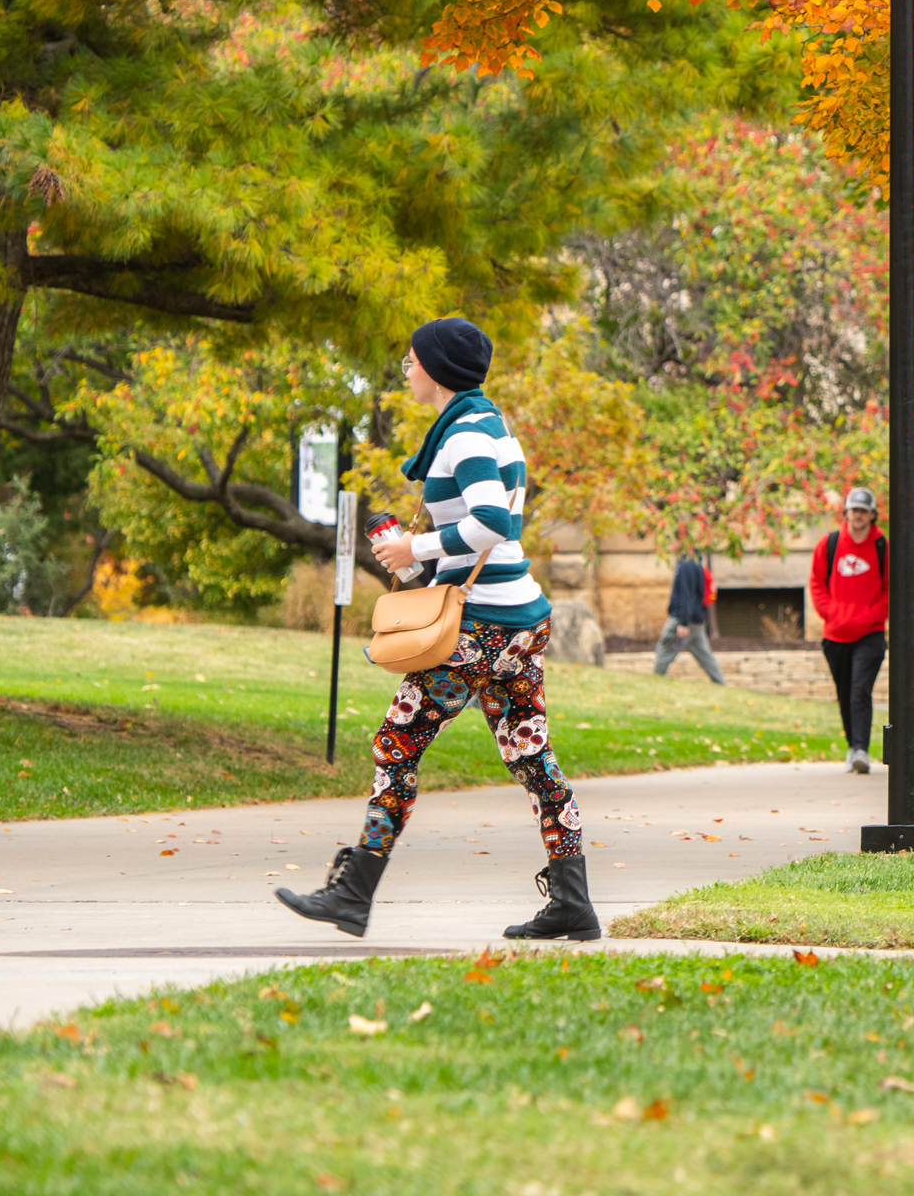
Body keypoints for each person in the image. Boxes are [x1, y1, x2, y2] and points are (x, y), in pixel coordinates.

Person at [279, 316, 596, 942]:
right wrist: (416, 553)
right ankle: (573, 901)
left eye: (413, 357)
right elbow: (483, 535)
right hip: (519, 620)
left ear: (438, 369)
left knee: (395, 746)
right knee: (531, 755)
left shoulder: (467, 436)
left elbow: (489, 526)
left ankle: (353, 893)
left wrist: (414, 547)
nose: (406, 366)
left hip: (480, 625)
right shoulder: (489, 426)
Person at [809, 487, 889, 774]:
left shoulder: (883, 546)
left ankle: (861, 750)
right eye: (854, 510)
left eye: (864, 511)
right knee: (844, 693)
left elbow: (889, 590)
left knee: (859, 691)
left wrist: (870, 616)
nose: (858, 516)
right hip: (835, 634)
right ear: (846, 513)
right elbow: (817, 583)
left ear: (872, 515)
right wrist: (831, 613)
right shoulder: (829, 544)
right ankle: (852, 746)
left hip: (870, 634)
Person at [654, 548, 724, 684]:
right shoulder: (696, 563)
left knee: (664, 651)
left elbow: (687, 595)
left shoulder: (686, 565)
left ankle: (654, 683)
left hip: (683, 620)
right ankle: (721, 683)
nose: (670, 544)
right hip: (696, 621)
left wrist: (683, 623)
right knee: (705, 656)